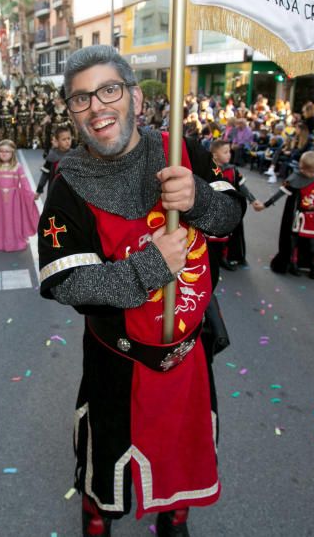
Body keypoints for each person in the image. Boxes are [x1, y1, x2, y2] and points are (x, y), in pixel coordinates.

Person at [36, 46, 244, 535]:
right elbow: (65, 281)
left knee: (182, 455)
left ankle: (175, 520)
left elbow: (231, 215)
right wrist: (148, 269)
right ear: (70, 112)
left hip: (189, 353)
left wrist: (198, 199)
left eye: (108, 90)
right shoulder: (69, 186)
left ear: (134, 97)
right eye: (80, 99)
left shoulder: (181, 150)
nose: (97, 107)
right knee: (105, 464)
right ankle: (98, 520)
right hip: (117, 359)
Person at [258, 151, 314, 284]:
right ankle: (293, 264)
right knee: (294, 243)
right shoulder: (294, 179)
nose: (311, 175)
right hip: (299, 219)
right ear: (301, 167)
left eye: (313, 172)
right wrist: (265, 205)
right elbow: (280, 193)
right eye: (308, 171)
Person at [208, 139, 257, 271]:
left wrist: (253, 200)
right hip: (212, 209)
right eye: (225, 152)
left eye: (229, 151)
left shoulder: (233, 171)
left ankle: (224, 257)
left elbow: (242, 187)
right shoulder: (207, 169)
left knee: (227, 235)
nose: (229, 154)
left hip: (229, 209)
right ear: (215, 155)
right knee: (211, 237)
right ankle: (209, 259)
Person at [35, 126, 73, 201]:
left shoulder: (74, 155)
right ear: (57, 141)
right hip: (55, 192)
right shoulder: (52, 156)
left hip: (71, 193)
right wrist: (39, 190)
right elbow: (44, 176)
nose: (67, 141)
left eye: (69, 138)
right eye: (64, 139)